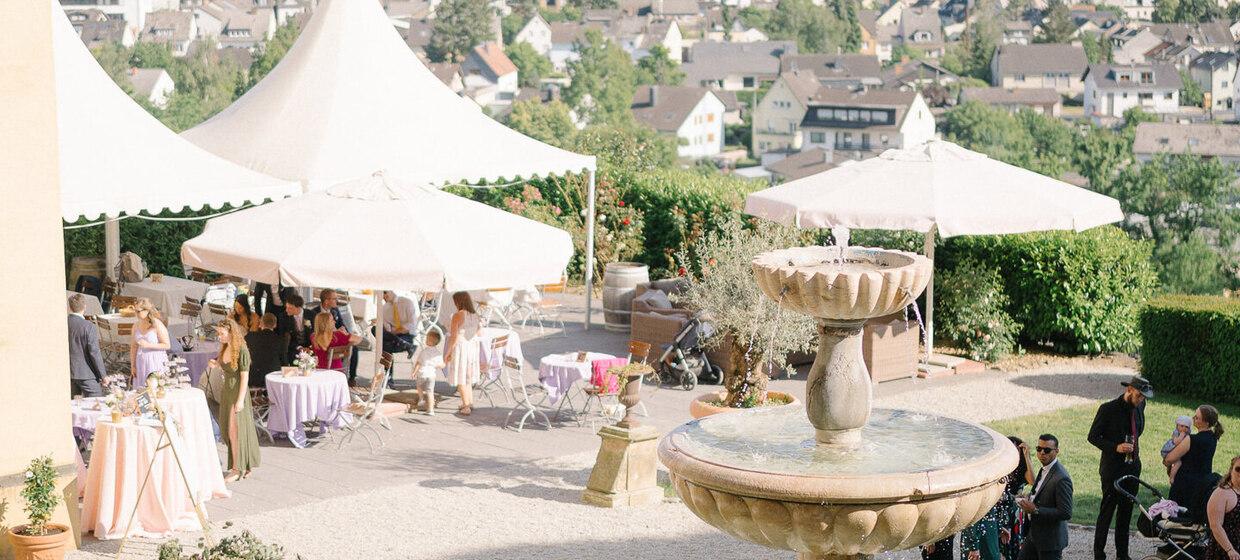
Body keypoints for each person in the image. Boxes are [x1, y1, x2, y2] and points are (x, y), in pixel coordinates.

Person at [1089, 375, 1152, 560]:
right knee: (1107, 511)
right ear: (1129, 390)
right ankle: (1099, 554)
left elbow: (1137, 430)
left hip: (1132, 467)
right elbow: (1093, 436)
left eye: (1144, 397)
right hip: (1112, 468)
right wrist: (1115, 447)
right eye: (1139, 395)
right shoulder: (1108, 409)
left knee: (1125, 513)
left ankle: (1122, 555)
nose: (1141, 400)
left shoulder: (1140, 406)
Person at [208, 319, 260, 481]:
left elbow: (244, 377)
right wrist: (215, 364)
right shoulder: (225, 347)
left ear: (231, 333)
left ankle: (237, 469)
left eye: (222, 333)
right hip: (227, 391)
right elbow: (222, 364)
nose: (219, 337)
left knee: (234, 430)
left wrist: (240, 400)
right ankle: (243, 463)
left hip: (237, 392)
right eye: (218, 333)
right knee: (229, 430)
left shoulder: (242, 349)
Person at [1016, 434, 1073, 560]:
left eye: (1046, 450)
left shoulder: (1061, 478)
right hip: (1034, 535)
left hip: (1050, 541)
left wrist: (1035, 510)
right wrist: (1029, 497)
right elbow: (1041, 493)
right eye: (1039, 449)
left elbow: (1065, 512)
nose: (1042, 453)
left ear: (1056, 451)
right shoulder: (1045, 469)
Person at [1166, 405, 1224, 521]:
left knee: (1177, 520)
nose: (1193, 419)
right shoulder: (1212, 438)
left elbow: (1169, 458)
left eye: (1197, 417)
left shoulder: (1192, 439)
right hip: (1202, 484)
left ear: (1206, 423)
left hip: (1185, 485)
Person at [305, 289, 359, 382]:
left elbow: (342, 324)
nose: (337, 301)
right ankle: (336, 369)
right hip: (321, 339)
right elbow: (315, 331)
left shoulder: (335, 310)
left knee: (354, 348)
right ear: (326, 301)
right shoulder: (314, 313)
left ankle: (352, 377)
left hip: (334, 338)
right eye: (334, 299)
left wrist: (341, 332)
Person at [443, 291, 481, 416]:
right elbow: (479, 333)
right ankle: (469, 402)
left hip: (460, 348)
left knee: (460, 376)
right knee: (467, 377)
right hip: (472, 348)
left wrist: (447, 353)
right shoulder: (475, 315)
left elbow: (453, 337)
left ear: (458, 302)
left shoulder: (457, 315)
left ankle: (466, 406)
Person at [1000, 436, 1037, 560]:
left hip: (1014, 513)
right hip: (1000, 510)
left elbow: (1033, 481)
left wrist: (1027, 456)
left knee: (1014, 544)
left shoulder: (1021, 469)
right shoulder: (1001, 467)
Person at [67, 294, 106, 397]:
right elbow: (94, 353)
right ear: (85, 306)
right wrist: (103, 375)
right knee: (96, 400)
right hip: (85, 373)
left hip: (67, 371)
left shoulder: (63, 323)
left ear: (70, 307)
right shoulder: (88, 326)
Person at [130, 298, 170, 390]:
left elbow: (167, 345)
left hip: (155, 361)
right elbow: (134, 347)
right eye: (135, 310)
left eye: (138, 311)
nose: (136, 313)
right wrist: (133, 366)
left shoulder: (157, 324)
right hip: (141, 362)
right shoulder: (135, 326)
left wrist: (148, 345)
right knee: (141, 391)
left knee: (155, 389)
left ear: (147, 310)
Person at [1205, 455, 1240, 560]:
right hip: (1225, 550)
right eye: (1238, 469)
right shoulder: (1222, 494)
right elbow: (1215, 526)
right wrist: (1230, 550)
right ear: (1231, 471)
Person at [244, 313, 288, 388]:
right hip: (273, 376)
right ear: (275, 325)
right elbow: (283, 360)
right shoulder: (281, 340)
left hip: (254, 376)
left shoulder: (250, 337)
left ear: (261, 324)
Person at [411, 330, 445, 415]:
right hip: (431, 375)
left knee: (419, 386)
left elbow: (418, 363)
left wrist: (414, 372)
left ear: (429, 341)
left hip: (422, 373)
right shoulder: (438, 353)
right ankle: (431, 410)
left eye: (426, 338)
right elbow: (441, 365)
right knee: (430, 392)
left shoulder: (424, 352)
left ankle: (421, 398)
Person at [380, 290, 417, 357]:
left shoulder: (407, 302)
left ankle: (388, 367)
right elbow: (387, 328)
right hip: (394, 336)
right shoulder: (384, 308)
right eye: (382, 294)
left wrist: (395, 332)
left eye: (385, 292)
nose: (383, 296)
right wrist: (380, 322)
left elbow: (412, 324)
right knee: (375, 329)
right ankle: (407, 346)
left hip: (407, 335)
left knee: (384, 346)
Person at [277, 293, 310, 364]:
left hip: (310, 351)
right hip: (293, 351)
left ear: (299, 308)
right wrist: (299, 348)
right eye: (286, 307)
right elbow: (282, 336)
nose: (286, 310)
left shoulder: (311, 314)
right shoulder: (283, 317)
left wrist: (309, 348)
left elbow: (315, 333)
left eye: (290, 308)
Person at [1162, 415, 1194, 484]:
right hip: (1168, 450)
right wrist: (1182, 436)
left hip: (1173, 450)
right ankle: (1172, 478)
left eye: (1186, 427)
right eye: (1182, 426)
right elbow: (1176, 442)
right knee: (1178, 463)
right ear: (1177, 426)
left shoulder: (1187, 434)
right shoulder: (1176, 433)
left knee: (1174, 464)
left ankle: (1169, 470)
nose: (1184, 428)